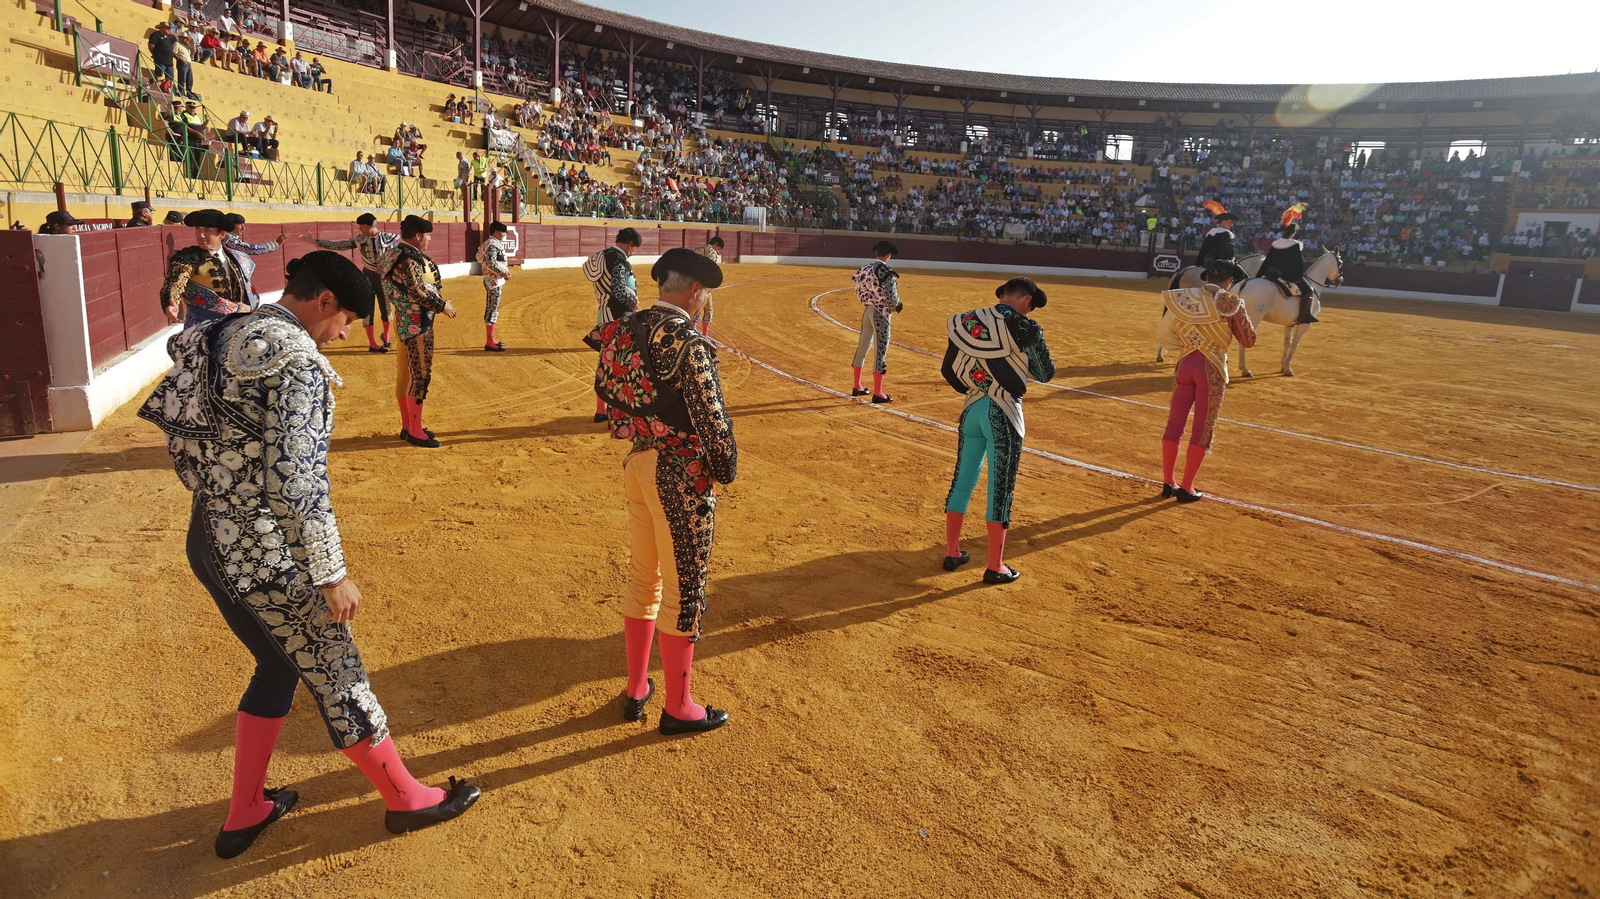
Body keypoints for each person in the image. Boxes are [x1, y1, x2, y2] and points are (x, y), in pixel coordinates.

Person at [137, 251, 480, 859]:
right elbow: (296, 483)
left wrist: (220, 489)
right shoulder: (297, 363)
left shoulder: (220, 330)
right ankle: (405, 797)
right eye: (344, 318)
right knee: (336, 665)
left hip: (207, 535)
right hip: (266, 552)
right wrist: (330, 572)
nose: (343, 333)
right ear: (322, 301)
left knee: (277, 665)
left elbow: (178, 427)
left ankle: (247, 809)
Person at [583, 248, 737, 736]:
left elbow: (608, 392)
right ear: (694, 292)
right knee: (683, 589)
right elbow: (712, 422)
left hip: (638, 462)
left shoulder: (622, 329)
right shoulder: (688, 343)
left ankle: (635, 688)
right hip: (680, 476)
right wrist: (724, 468)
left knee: (643, 579)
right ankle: (681, 705)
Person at [939, 277, 1055, 585]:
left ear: (1001, 295)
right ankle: (995, 565)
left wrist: (979, 381)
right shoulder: (1026, 328)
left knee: (962, 481)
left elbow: (949, 371)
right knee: (1000, 487)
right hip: (1004, 412)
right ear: (1028, 302)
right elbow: (1046, 373)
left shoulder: (964, 321)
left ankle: (952, 551)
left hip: (971, 408)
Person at [1155, 261, 1257, 502]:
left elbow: (1163, 334)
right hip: (1211, 369)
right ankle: (1187, 487)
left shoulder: (1182, 298)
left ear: (1207, 276)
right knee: (1201, 430)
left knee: (1174, 425)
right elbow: (1248, 340)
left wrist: (1188, 345)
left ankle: (1169, 482)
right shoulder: (1230, 303)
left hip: (1185, 365)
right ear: (1229, 281)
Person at [385, 215, 456, 447]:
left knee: (405, 375)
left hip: (403, 319)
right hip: (417, 323)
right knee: (420, 376)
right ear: (417, 236)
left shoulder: (392, 253)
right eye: (427, 236)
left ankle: (408, 427)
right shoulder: (409, 257)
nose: (429, 240)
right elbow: (417, 292)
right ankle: (415, 431)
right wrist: (442, 306)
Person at [582, 227, 642, 422]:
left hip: (605, 313)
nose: (634, 252)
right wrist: (634, 302)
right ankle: (612, 410)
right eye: (635, 248)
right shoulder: (618, 260)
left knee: (606, 362)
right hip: (617, 317)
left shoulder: (605, 255)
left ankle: (602, 410)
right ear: (630, 244)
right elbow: (618, 290)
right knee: (619, 363)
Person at [159, 209, 253, 328]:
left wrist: (247, 307)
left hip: (235, 324)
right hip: (201, 326)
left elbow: (248, 290)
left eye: (207, 230)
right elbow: (174, 284)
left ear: (222, 234)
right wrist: (171, 302)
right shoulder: (188, 258)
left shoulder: (236, 257)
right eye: (198, 229)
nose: (200, 235)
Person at [850, 239, 902, 403]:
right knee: (880, 352)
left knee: (862, 348)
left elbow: (858, 291)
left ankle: (857, 386)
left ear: (876, 253)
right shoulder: (887, 272)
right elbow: (891, 298)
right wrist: (898, 305)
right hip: (881, 315)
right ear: (889, 255)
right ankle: (878, 392)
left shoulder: (865, 269)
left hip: (868, 312)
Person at [1259, 207, 1317, 324]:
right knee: (1309, 290)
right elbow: (1296, 263)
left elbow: (1268, 261)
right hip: (1287, 276)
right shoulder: (1295, 244)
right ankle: (1303, 316)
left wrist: (1260, 275)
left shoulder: (1275, 243)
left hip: (1271, 274)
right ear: (1293, 233)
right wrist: (1297, 277)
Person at [219, 213, 284, 311]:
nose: (243, 228)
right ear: (231, 224)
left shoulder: (229, 238)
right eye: (240, 224)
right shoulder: (228, 239)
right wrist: (275, 244)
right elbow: (250, 249)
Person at [476, 221, 512, 350]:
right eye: (502, 232)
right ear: (496, 231)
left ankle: (491, 339)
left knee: (492, 308)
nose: (504, 234)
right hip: (494, 280)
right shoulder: (492, 244)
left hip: (494, 280)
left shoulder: (490, 243)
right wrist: (505, 272)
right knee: (492, 309)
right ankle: (490, 341)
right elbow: (491, 263)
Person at [1193, 207, 1247, 284]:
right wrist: (1232, 261)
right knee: (1241, 277)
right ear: (1224, 221)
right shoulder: (1226, 234)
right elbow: (1229, 253)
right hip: (1222, 264)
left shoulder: (1211, 233)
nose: (1231, 225)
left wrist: (1198, 263)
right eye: (1230, 222)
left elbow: (1203, 250)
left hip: (1207, 262)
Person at [689, 236, 723, 336]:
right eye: (719, 248)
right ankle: (705, 336)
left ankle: (692, 330)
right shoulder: (712, 253)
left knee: (694, 308)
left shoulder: (697, 249)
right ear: (716, 244)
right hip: (704, 285)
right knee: (708, 310)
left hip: (691, 283)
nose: (718, 251)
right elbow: (709, 271)